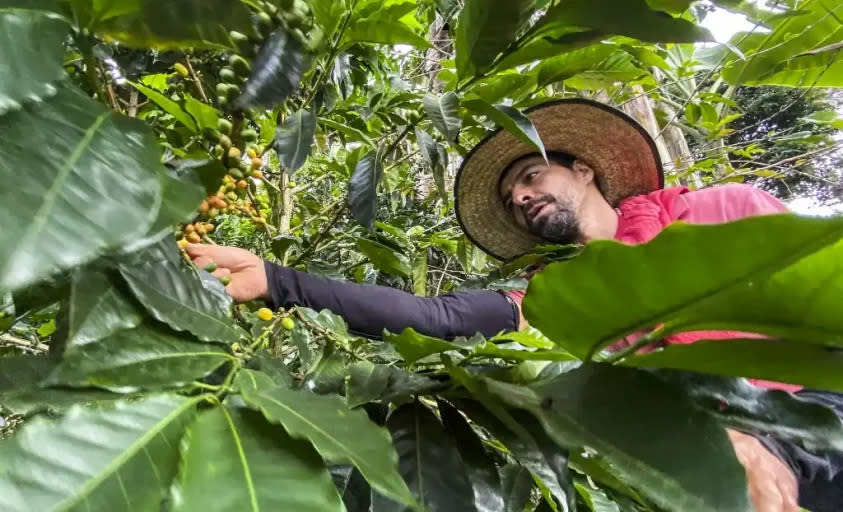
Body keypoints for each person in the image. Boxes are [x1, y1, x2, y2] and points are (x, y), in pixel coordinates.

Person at [186, 99, 840, 512]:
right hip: (727, 460)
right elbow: (434, 318)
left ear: (582, 170)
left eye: (530, 176)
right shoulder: (558, 300)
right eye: (508, 200)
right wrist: (275, 279)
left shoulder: (718, 211)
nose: (520, 197)